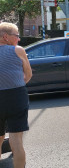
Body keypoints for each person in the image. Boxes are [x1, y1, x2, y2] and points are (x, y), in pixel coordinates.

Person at [0, 22, 32, 168]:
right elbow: (28, 75)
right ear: (6, 37)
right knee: (16, 141)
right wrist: (17, 83)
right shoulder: (18, 50)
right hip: (16, 96)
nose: (18, 39)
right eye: (16, 35)